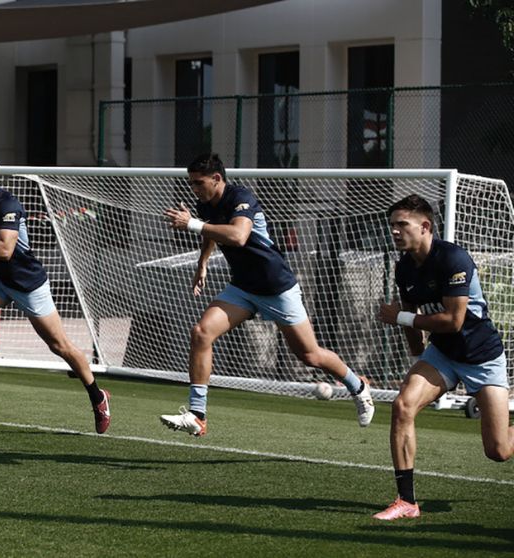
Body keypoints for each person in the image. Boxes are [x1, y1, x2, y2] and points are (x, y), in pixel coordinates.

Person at [158, 153, 375, 437]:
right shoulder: (205, 204)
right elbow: (211, 234)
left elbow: (238, 236)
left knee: (310, 355)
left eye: (198, 182)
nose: (194, 188)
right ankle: (198, 416)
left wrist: (192, 224)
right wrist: (202, 263)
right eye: (191, 183)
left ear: (217, 179)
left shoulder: (241, 197)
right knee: (201, 332)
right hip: (243, 288)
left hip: (276, 288)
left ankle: (358, 386)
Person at [0, 153, 111, 434]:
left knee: (60, 346)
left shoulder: (8, 204)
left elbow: (5, 250)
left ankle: (97, 396)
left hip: (27, 283)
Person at [373, 194, 512, 520]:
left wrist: (402, 319)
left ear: (425, 226)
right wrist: (417, 359)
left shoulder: (453, 259)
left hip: (482, 357)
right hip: (443, 354)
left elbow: (454, 321)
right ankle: (406, 502)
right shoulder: (404, 267)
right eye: (392, 225)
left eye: (401, 224)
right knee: (402, 405)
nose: (394, 231)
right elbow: (409, 314)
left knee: (499, 451)